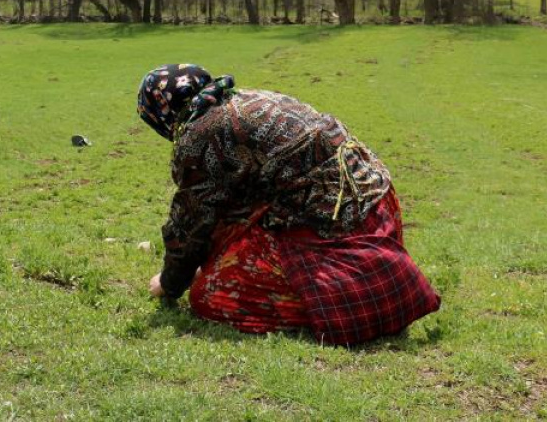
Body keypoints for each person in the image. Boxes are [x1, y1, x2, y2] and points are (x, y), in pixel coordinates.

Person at [137, 64, 439, 345]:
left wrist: (169, 283)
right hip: (378, 205)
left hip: (332, 228)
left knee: (210, 294)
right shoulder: (249, 97)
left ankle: (338, 303)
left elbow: (190, 223)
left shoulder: (198, 135)